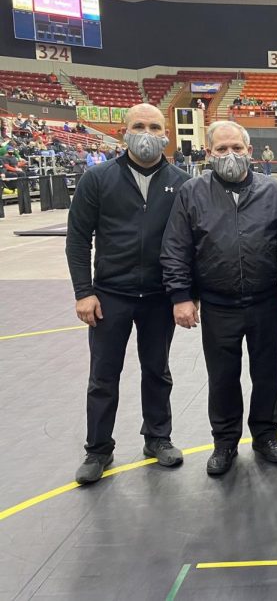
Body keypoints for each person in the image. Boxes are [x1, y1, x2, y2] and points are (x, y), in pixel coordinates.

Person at [65, 103, 190, 484]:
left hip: (158, 296)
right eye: (139, 125)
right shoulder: (98, 178)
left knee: (157, 370)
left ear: (166, 134)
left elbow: (190, 243)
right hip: (110, 295)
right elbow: (77, 240)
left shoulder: (182, 182)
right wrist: (84, 292)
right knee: (103, 375)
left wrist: (184, 293)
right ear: (124, 132)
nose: (148, 133)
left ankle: (158, 438)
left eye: (155, 126)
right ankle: (98, 450)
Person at [161, 121, 277, 476]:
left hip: (264, 299)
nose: (230, 155)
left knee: (267, 373)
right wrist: (181, 295)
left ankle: (266, 435)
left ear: (250, 151)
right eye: (221, 149)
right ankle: (225, 441)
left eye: (236, 148)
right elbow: (176, 247)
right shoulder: (192, 192)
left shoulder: (273, 192)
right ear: (209, 153)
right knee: (222, 376)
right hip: (217, 302)